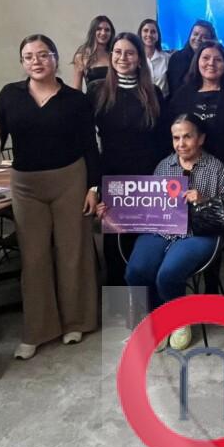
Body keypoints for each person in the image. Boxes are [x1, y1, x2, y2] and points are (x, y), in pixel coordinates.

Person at [0, 34, 100, 360]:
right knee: (34, 256)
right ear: (22, 62)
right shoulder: (9, 96)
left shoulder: (76, 100)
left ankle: (76, 322)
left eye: (43, 55)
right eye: (29, 56)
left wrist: (93, 188)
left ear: (55, 58)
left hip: (70, 179)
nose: (36, 61)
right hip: (26, 185)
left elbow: (90, 145)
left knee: (73, 252)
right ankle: (38, 330)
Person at [121, 114, 224, 351]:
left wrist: (204, 200)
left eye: (187, 137)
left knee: (168, 273)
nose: (181, 143)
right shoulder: (164, 165)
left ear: (201, 138)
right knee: (136, 270)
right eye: (176, 138)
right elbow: (146, 203)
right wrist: (114, 211)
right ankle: (153, 317)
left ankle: (178, 319)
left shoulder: (215, 167)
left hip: (199, 233)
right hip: (162, 230)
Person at [90, 32, 167, 310]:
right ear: (111, 56)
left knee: (145, 244)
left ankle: (147, 306)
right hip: (113, 179)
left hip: (149, 179)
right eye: (118, 52)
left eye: (130, 52)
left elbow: (163, 140)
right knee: (115, 247)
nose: (123, 58)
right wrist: (94, 187)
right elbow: (88, 143)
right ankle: (120, 311)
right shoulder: (97, 91)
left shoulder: (153, 93)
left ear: (139, 58)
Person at [168, 40, 224, 297]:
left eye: (217, 59)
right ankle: (211, 286)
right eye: (205, 58)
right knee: (205, 228)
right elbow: (174, 136)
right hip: (194, 174)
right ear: (197, 62)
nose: (211, 63)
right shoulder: (182, 95)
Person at [166, 19, 216, 97]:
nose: (198, 38)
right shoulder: (177, 58)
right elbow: (174, 89)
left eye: (204, 36)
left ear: (211, 40)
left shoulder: (216, 59)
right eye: (195, 34)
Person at [71, 15, 115, 91]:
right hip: (92, 98)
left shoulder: (115, 54)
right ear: (93, 31)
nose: (103, 33)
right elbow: (76, 88)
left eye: (107, 30)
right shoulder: (81, 56)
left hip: (116, 98)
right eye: (99, 29)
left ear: (111, 33)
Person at [137, 18, 170, 96]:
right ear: (140, 34)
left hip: (162, 101)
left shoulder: (167, 58)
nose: (149, 35)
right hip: (139, 100)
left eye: (153, 32)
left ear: (158, 36)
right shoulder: (135, 58)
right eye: (145, 31)